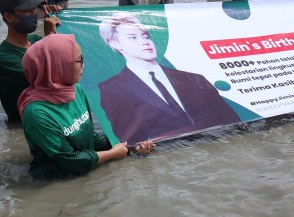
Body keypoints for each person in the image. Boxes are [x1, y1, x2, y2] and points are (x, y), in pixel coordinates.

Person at [19, 34, 156, 179]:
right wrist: (112, 154)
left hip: (89, 167)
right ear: (59, 65)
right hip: (57, 182)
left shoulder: (75, 89)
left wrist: (130, 144)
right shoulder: (37, 113)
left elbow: (90, 137)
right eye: (79, 61)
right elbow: (70, 160)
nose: (83, 66)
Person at [97, 13, 241, 145]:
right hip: (170, 154)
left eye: (145, 36)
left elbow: (234, 121)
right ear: (114, 43)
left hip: (217, 146)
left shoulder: (194, 79)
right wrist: (139, 149)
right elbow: (130, 139)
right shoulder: (112, 89)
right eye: (132, 37)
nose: (144, 42)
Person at [0, 0, 60, 122]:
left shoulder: (36, 40)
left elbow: (69, 61)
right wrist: (51, 38)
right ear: (9, 16)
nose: (32, 13)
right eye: (26, 10)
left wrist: (60, 19)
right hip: (29, 124)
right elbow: (50, 77)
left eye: (33, 9)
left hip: (51, 115)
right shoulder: (3, 57)